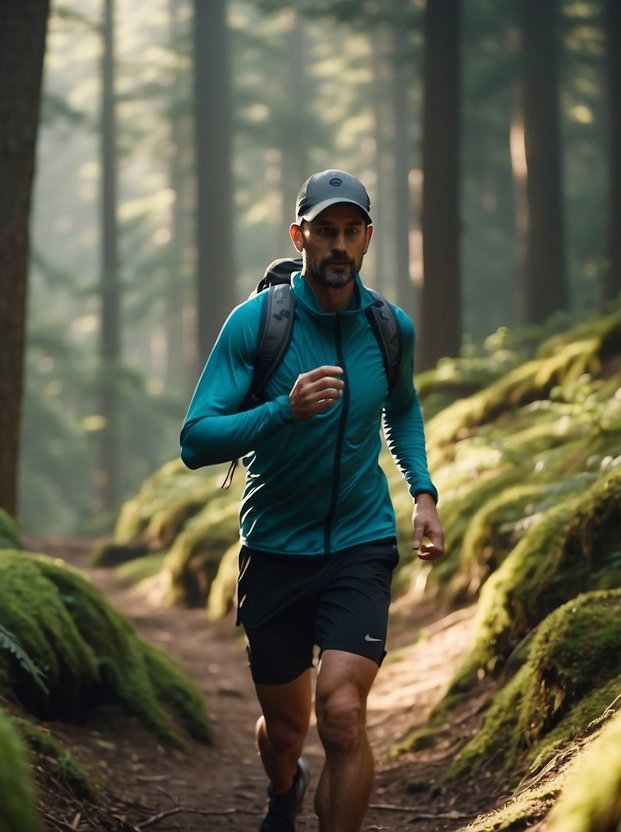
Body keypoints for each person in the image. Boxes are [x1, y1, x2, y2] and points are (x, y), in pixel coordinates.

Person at [179, 169, 445, 832]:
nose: (337, 244)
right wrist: (281, 411)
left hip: (360, 542)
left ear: (366, 240)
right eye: (324, 230)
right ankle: (283, 788)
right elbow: (195, 439)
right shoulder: (256, 324)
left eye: (350, 231)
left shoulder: (389, 327)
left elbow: (402, 411)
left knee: (343, 713)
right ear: (299, 235)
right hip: (273, 549)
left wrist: (422, 493)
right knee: (286, 730)